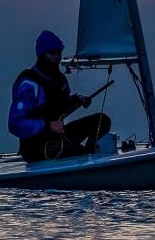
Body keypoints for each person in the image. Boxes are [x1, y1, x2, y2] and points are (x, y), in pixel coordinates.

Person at [9, 30, 111, 161]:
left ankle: (92, 158)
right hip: (36, 147)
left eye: (59, 52)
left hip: (58, 137)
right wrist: (47, 126)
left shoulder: (60, 81)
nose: (57, 57)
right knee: (80, 153)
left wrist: (76, 100)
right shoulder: (29, 83)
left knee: (102, 120)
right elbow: (15, 123)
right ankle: (85, 160)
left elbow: (58, 107)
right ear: (41, 54)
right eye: (52, 53)